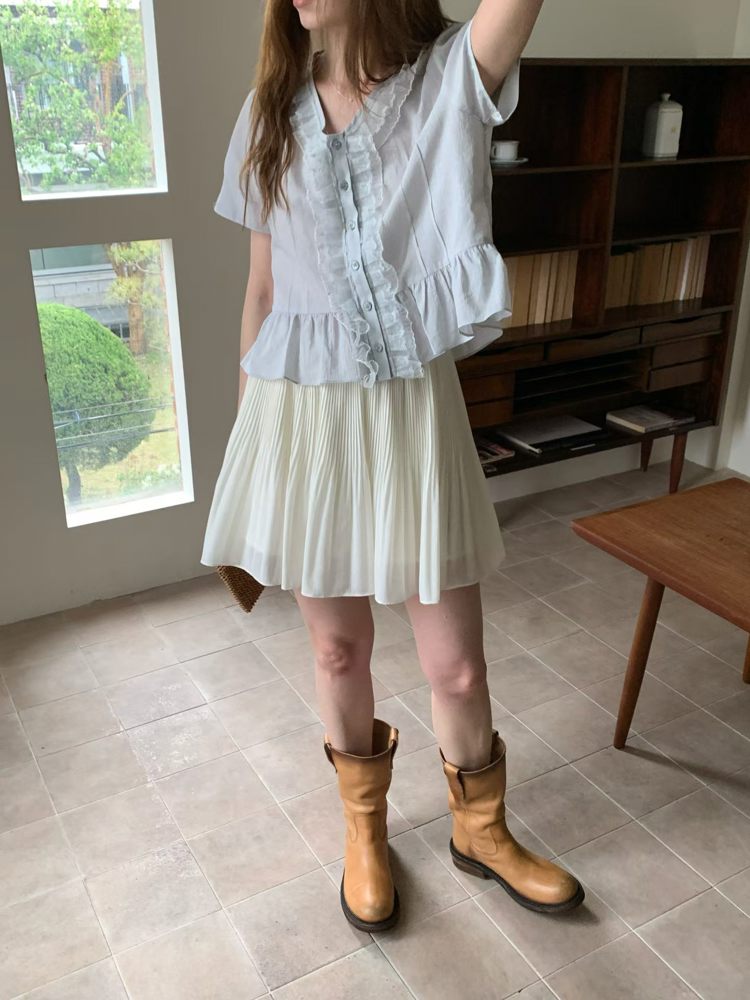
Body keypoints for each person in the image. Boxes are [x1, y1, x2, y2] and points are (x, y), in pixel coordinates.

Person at [201, 0, 584, 931]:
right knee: (338, 649)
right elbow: (262, 288)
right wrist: (250, 441)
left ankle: (481, 830)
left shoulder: (447, 81)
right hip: (300, 415)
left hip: (411, 413)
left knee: (457, 667)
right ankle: (365, 833)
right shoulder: (268, 111)